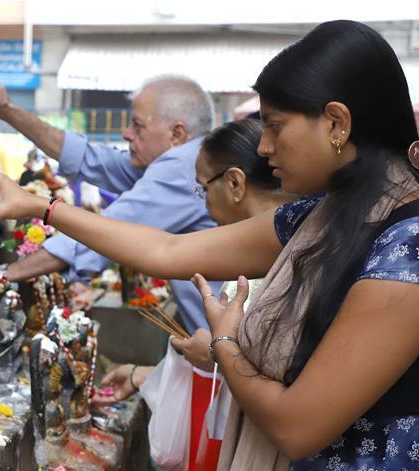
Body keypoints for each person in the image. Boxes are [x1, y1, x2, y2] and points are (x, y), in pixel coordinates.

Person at [0, 20, 419, 471]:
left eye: (275, 126)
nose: (263, 147)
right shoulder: (324, 218)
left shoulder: (412, 247)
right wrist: (38, 205)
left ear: (336, 124)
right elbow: (169, 250)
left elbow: (297, 425)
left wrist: (227, 347)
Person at [0, 67, 221, 331]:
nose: (127, 133)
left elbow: (101, 234)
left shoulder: (182, 167)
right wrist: (7, 110)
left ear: (176, 134)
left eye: (137, 126)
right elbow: (86, 157)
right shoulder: (179, 160)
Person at [103, 118, 293, 401]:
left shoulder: (287, 247)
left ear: (235, 183)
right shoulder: (292, 235)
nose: (204, 202)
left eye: (203, 188)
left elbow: (162, 251)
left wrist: (219, 351)